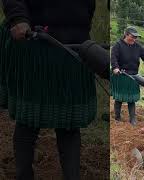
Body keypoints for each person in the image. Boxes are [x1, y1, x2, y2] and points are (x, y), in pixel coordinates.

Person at [0, 0, 97, 179]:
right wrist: (18, 17)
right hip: (36, 45)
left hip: (75, 46)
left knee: (70, 124)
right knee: (28, 121)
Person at [111, 26, 144, 126]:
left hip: (133, 74)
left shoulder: (138, 47)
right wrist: (115, 68)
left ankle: (132, 119)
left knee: (132, 98)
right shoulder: (118, 45)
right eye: (132, 36)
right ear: (126, 35)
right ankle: (117, 117)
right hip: (121, 74)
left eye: (136, 37)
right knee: (119, 98)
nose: (134, 39)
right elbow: (113, 58)